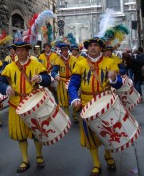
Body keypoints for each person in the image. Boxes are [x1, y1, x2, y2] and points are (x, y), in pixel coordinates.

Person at [68, 37, 123, 176]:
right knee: (90, 134)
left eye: (96, 46)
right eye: (90, 46)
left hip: (106, 102)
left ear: (101, 48)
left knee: (108, 131)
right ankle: (96, 163)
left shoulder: (110, 62)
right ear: (87, 48)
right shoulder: (80, 63)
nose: (93, 48)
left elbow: (118, 84)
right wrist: (74, 98)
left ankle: (108, 155)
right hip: (87, 103)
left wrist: (114, 78)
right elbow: (73, 84)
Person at [0, 41, 51, 173]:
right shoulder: (9, 67)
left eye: (23, 50)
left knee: (36, 132)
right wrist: (6, 88)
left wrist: (40, 78)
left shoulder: (36, 64)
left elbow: (47, 79)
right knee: (20, 134)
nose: (20, 52)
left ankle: (39, 155)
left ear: (28, 51)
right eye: (17, 50)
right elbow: (0, 83)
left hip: (33, 103)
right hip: (16, 104)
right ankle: (25, 160)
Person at [51, 43, 77, 119]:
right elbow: (53, 71)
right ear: (61, 51)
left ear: (68, 50)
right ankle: (67, 117)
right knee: (64, 100)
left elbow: (78, 70)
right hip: (62, 81)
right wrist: (56, 75)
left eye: (66, 50)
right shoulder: (58, 60)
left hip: (72, 80)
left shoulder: (74, 59)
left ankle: (75, 115)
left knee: (74, 97)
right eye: (63, 50)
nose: (65, 52)